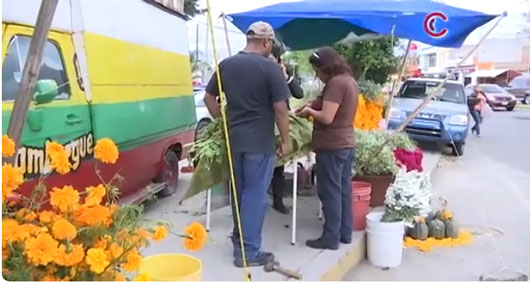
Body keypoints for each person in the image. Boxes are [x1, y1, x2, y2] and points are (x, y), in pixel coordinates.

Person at [203, 21, 291, 267]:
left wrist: (223, 120)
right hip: (259, 143)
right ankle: (249, 252)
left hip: (234, 141)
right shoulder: (270, 68)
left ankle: (240, 242)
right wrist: (286, 140)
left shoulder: (227, 64)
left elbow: (208, 97)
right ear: (266, 42)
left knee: (239, 194)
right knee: (254, 196)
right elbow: (281, 109)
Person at [296, 47, 359, 250]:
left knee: (330, 191)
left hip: (332, 145)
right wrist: (310, 106)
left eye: (317, 71)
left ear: (326, 68)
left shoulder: (336, 83)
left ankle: (330, 237)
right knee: (342, 191)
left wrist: (309, 111)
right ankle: (344, 233)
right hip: (345, 143)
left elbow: (327, 117)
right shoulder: (348, 80)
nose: (317, 75)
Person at [269, 44, 304, 214]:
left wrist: (285, 77)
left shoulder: (282, 73)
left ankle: (278, 200)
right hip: (261, 124)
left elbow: (299, 93)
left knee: (279, 166)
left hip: (279, 124)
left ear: (278, 60)